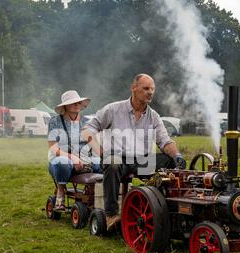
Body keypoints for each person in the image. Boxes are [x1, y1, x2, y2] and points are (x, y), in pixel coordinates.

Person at [82, 74, 186, 229]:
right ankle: (111, 215)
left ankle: (163, 210)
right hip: (119, 160)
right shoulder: (113, 109)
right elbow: (87, 130)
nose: (150, 92)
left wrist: (177, 155)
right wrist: (101, 151)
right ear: (133, 88)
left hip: (142, 161)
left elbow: (165, 141)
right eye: (146, 88)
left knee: (170, 161)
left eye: (152, 89)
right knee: (112, 163)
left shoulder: (154, 116)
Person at [48, 90, 102, 210]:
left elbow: (94, 145)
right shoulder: (55, 121)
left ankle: (95, 196)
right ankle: (60, 193)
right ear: (65, 106)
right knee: (62, 162)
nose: (77, 104)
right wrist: (72, 157)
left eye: (78, 102)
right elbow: (53, 147)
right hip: (61, 159)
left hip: (84, 159)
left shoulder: (86, 122)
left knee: (103, 163)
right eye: (73, 103)